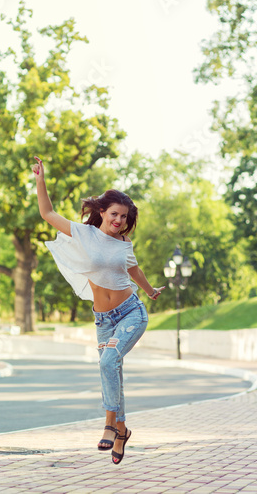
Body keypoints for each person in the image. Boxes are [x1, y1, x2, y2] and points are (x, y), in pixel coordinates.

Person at [32, 156, 165, 465]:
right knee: (111, 368)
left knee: (108, 362)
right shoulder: (83, 233)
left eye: (124, 217)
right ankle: (122, 430)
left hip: (131, 313)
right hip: (103, 320)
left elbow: (135, 271)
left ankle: (108, 425)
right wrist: (41, 180)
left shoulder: (124, 244)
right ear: (102, 212)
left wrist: (149, 291)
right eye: (115, 214)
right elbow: (47, 212)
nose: (119, 221)